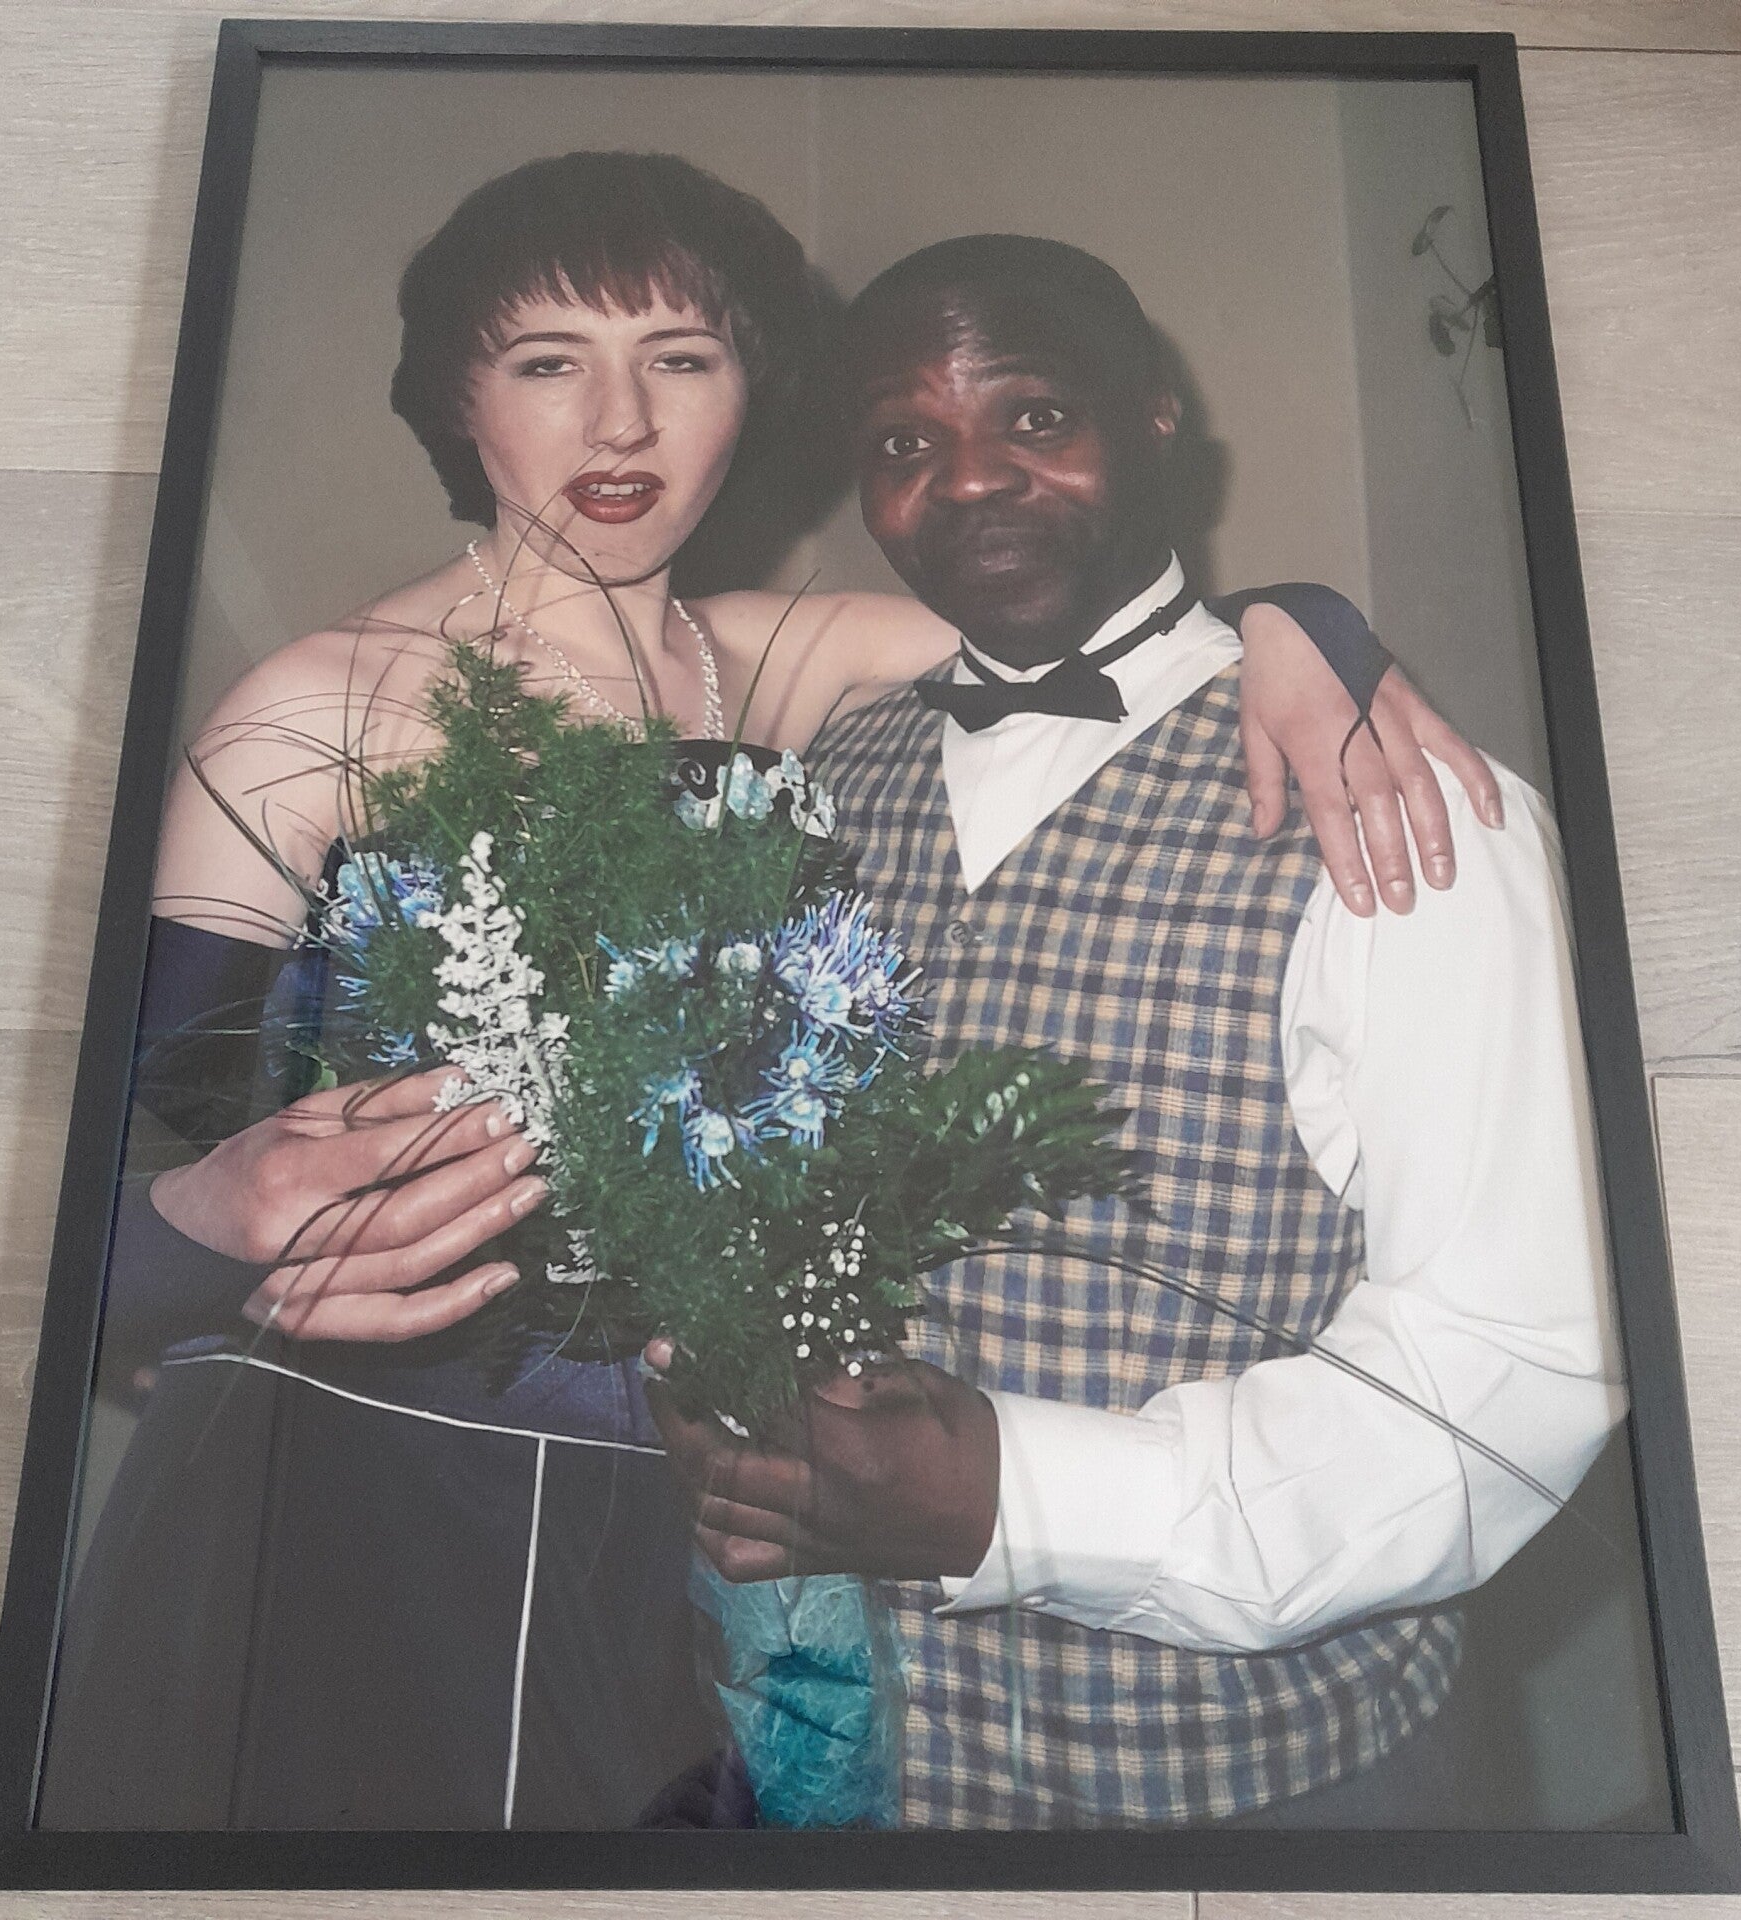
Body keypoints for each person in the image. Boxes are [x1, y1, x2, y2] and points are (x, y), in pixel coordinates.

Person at [40, 158, 1498, 1832]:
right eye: (547, 362)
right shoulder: (313, 706)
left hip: (738, 1522)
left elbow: (1105, 623)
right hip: (397, 1495)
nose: (620, 421)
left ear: (751, 393)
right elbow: (105, 1192)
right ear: (456, 398)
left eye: (681, 357)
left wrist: (1307, 627)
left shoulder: (789, 657)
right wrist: (205, 1224)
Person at [647, 234, 1626, 1830]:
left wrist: (1019, 1496)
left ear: (1158, 415)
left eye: (1035, 417)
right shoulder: (822, 777)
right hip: (841, 1770)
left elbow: (1513, 1371)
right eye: (904, 443)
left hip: (1264, 1791)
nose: (970, 479)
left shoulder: (1399, 802)